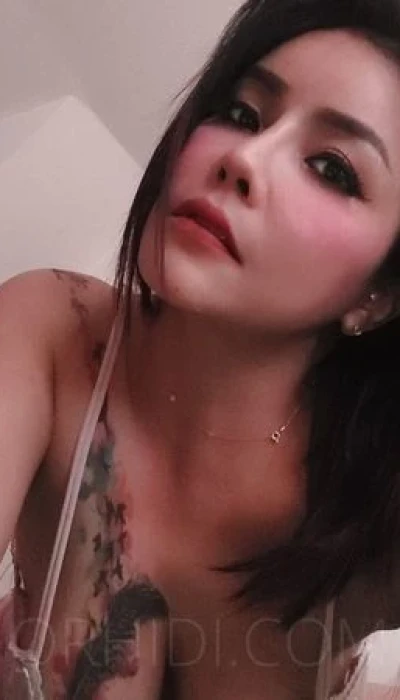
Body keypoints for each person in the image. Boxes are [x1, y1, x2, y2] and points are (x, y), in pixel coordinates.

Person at [2, 0, 400, 697]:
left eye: (332, 169)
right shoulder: (51, 335)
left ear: (377, 296)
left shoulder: (374, 510)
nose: (244, 157)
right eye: (242, 113)